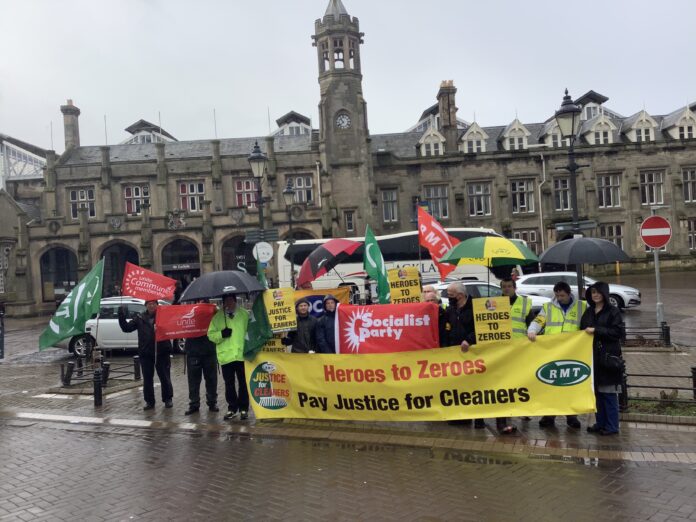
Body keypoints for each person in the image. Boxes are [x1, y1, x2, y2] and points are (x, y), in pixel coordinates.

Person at [528, 280, 588, 429]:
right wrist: (532, 330)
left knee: (570, 385)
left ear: (569, 294)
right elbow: (538, 321)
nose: (559, 298)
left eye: (562, 295)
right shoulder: (548, 307)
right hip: (552, 351)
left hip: (573, 352)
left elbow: (588, 323)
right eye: (557, 295)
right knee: (552, 384)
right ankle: (549, 415)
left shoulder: (582, 306)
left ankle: (571, 416)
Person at [580, 282, 624, 436]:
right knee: (597, 393)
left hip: (608, 357)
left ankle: (612, 426)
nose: (595, 295)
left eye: (598, 292)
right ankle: (601, 423)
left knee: (609, 393)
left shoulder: (613, 311)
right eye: (593, 292)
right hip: (593, 358)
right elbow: (582, 329)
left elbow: (618, 332)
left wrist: (597, 330)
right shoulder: (589, 312)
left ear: (604, 294)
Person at [496, 277, 535, 434]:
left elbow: (531, 324)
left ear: (515, 287)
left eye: (509, 286)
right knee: (504, 383)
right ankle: (505, 413)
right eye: (504, 287)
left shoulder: (525, 303)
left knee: (520, 381)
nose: (506, 289)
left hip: (519, 349)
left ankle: (523, 409)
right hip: (500, 350)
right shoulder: (494, 303)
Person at [118, 299, 173, 410]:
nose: (151, 306)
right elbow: (126, 328)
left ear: (157, 305)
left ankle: (168, 399)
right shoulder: (140, 318)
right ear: (146, 306)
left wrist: (162, 328)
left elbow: (172, 327)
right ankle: (149, 402)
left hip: (161, 352)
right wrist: (121, 315)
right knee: (147, 379)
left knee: (165, 377)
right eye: (149, 304)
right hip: (146, 353)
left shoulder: (164, 316)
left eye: (154, 304)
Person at [445, 282, 485, 428]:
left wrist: (470, 339)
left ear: (460, 295)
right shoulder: (450, 309)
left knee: (475, 387)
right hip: (455, 355)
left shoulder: (476, 307)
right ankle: (462, 416)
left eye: (451, 295)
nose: (448, 298)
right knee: (459, 386)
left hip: (473, 354)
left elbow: (482, 328)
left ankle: (479, 418)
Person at [208, 295, 250, 420]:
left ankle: (243, 408)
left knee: (243, 383)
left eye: (231, 300)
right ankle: (232, 408)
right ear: (223, 302)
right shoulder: (218, 317)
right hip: (226, 356)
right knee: (229, 384)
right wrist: (221, 334)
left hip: (241, 355)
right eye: (226, 301)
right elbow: (210, 335)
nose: (229, 303)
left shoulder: (244, 314)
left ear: (235, 301)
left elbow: (251, 331)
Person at [184, 322, 219, 415]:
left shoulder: (211, 310)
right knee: (193, 381)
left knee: (211, 379)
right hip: (193, 351)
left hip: (209, 351)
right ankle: (194, 404)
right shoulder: (188, 310)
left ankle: (212, 402)